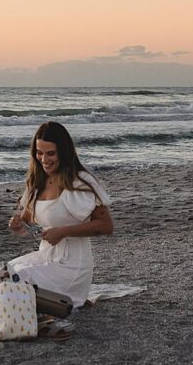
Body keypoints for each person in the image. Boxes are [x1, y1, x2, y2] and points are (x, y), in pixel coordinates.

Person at [7, 121, 113, 308]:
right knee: (5, 274)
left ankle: (68, 297)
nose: (44, 159)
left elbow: (106, 226)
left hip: (72, 266)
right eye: (39, 153)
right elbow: (28, 222)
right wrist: (18, 225)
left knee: (15, 284)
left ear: (63, 152)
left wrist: (64, 231)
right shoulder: (37, 181)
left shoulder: (80, 182)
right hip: (46, 257)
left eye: (50, 153)